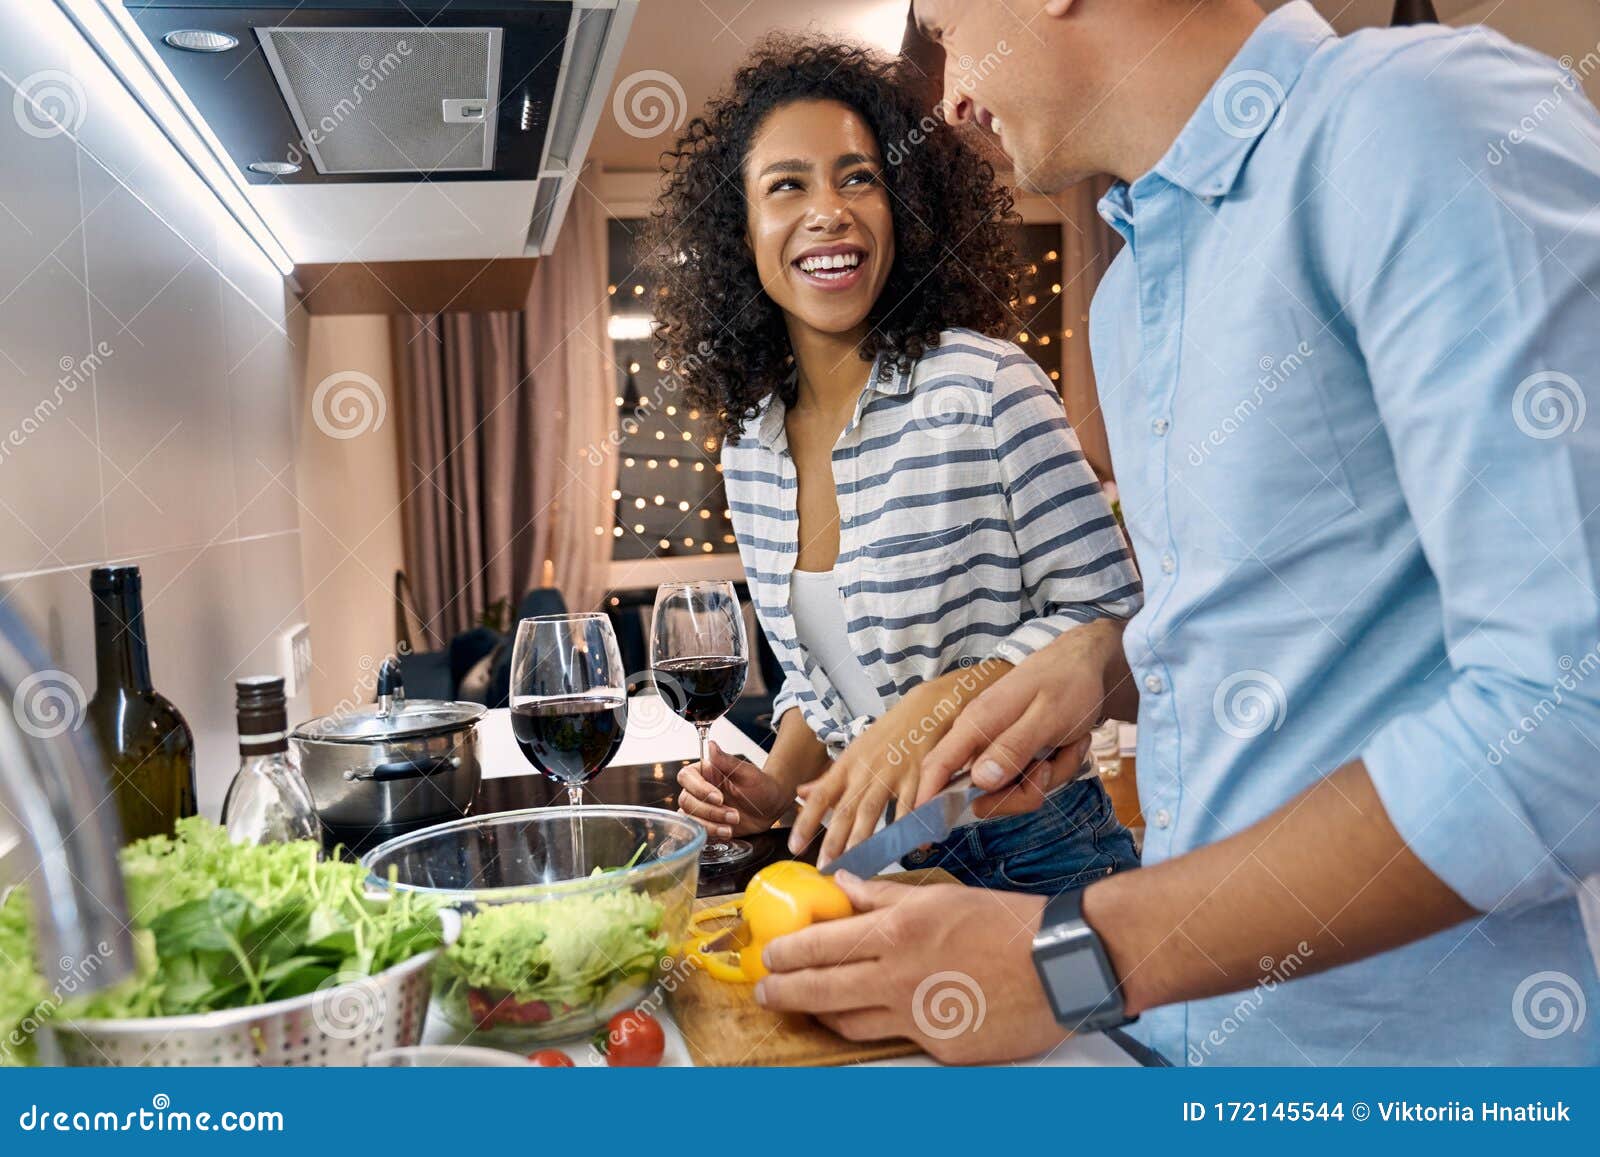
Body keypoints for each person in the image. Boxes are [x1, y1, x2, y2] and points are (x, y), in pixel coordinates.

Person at [759, 0, 1600, 1066]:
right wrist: (1101, 663)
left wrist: (1067, 954)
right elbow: (1296, 620)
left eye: (949, 22)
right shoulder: (1132, 293)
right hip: (1195, 1046)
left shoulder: (1411, 119)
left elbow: (1570, 701)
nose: (950, 88)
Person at [646, 38, 1142, 893]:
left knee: (1084, 1036)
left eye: (858, 177)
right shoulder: (749, 446)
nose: (829, 210)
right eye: (787, 185)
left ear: (902, 207)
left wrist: (944, 701)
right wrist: (776, 787)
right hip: (876, 863)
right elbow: (817, 684)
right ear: (743, 232)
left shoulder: (985, 384)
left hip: (1042, 852)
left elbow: (1122, 626)